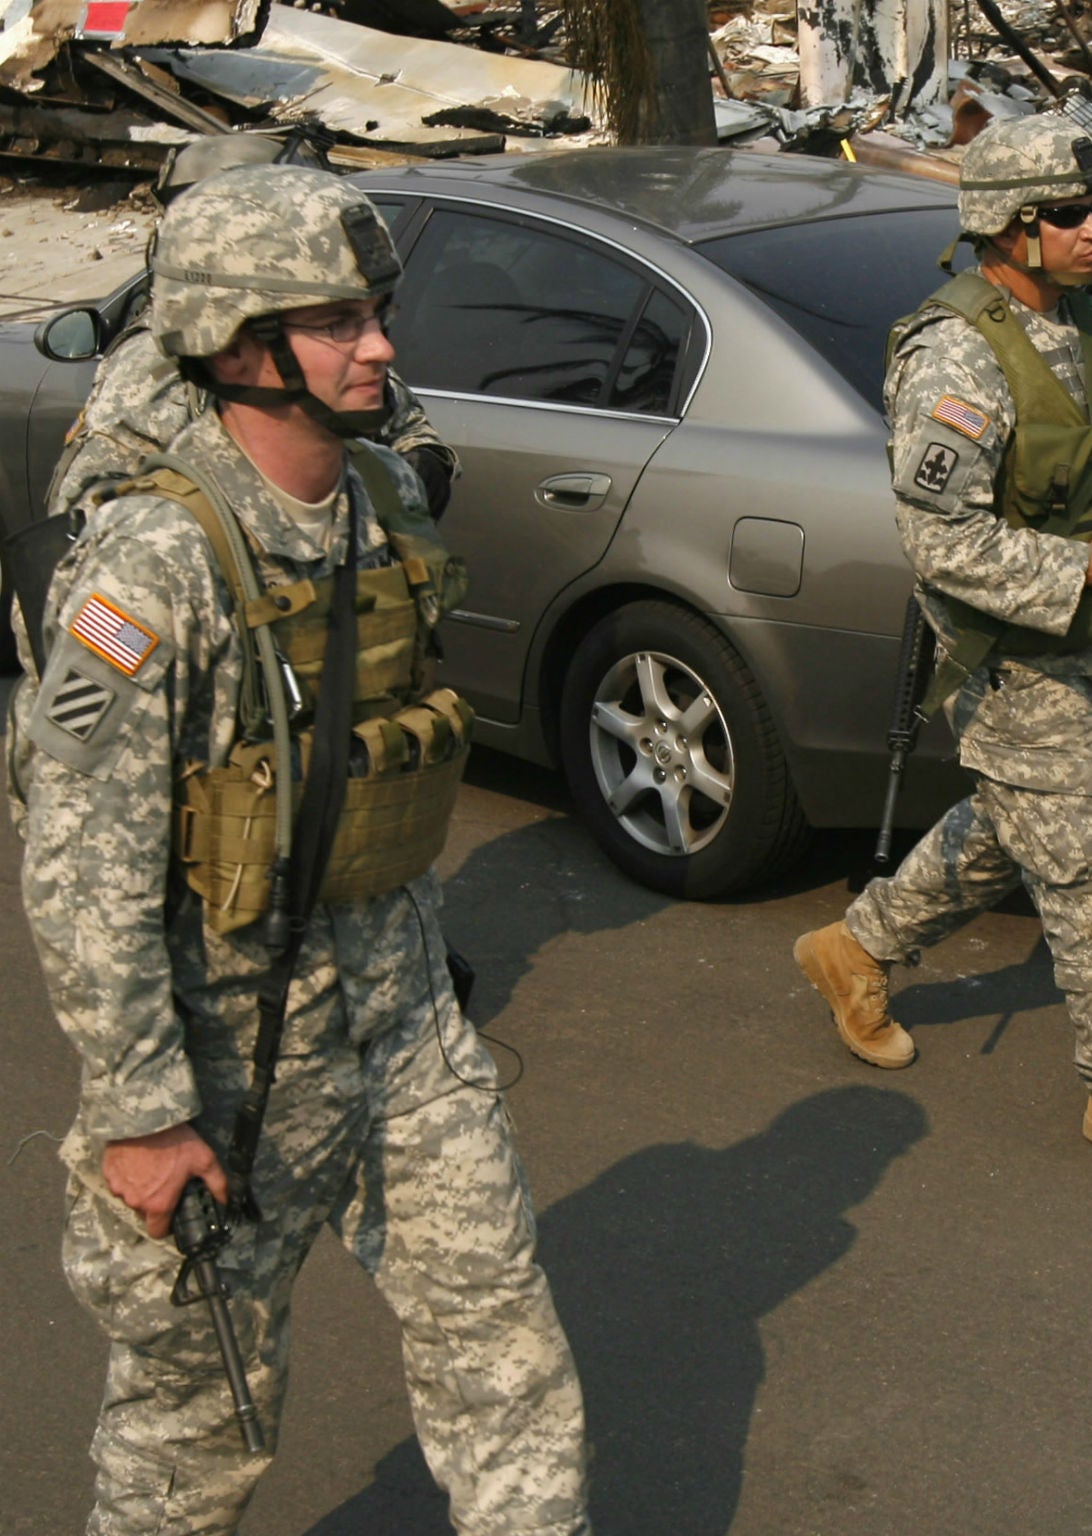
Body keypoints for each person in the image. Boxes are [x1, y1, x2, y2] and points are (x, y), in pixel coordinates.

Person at [10, 165, 590, 1532]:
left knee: (506, 1356)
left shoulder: (382, 496)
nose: (380, 343)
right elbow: (81, 873)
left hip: (399, 1021)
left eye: (375, 311)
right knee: (196, 1440)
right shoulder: (151, 568)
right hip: (227, 1065)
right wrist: (147, 1115)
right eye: (336, 321)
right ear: (237, 342)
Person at [792, 114, 1092, 1183]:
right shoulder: (955, 355)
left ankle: (856, 947)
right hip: (1006, 652)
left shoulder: (1087, 325)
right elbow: (938, 540)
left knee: (1008, 824)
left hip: (1081, 639)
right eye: (1071, 215)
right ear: (1010, 228)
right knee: (1089, 870)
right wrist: (1082, 571)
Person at [44, 131, 459, 526]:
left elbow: (405, 425)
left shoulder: (304, 328)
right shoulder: (172, 354)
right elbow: (82, 511)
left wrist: (412, 473)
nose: (376, 348)